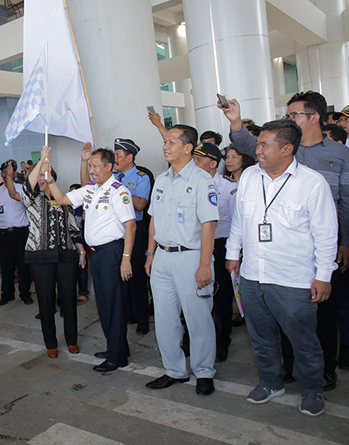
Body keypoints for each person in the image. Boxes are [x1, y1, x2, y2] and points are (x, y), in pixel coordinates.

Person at [221, 91, 349, 391]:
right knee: (264, 335)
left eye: (264, 145)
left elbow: (331, 226)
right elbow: (240, 219)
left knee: (310, 333)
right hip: (256, 273)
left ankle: (315, 385)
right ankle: (274, 380)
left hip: (298, 273)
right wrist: (233, 252)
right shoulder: (253, 175)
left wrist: (324, 271)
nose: (258, 150)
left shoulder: (317, 177)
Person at [46, 143, 136, 372]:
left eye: (96, 166)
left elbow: (131, 226)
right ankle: (117, 348)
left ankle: (117, 357)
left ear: (109, 167)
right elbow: (63, 199)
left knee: (113, 305)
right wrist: (48, 179)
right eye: (90, 166)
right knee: (104, 305)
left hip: (112, 253)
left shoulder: (118, 191)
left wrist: (126, 258)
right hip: (96, 254)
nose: (92, 170)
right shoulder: (91, 190)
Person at [144, 124, 218, 396]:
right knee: (164, 319)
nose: (166, 146)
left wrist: (204, 265)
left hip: (191, 258)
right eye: (165, 141)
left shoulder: (201, 180)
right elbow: (154, 219)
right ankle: (174, 370)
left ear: (188, 148)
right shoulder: (162, 179)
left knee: (198, 319)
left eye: (172, 141)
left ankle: (204, 371)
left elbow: (209, 225)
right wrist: (150, 254)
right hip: (162, 258)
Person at [23, 146, 86, 358]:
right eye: (38, 176)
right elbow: (27, 186)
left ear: (52, 177)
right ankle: (50, 342)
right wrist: (41, 161)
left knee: (69, 298)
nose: (40, 178)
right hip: (40, 256)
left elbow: (73, 226)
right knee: (46, 300)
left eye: (44, 175)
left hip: (66, 255)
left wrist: (80, 249)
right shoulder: (32, 199)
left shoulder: (63, 198)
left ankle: (71, 340)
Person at [193, 143, 237, 362]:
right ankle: (194, 337)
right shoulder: (189, 183)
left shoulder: (228, 187)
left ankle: (222, 340)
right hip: (196, 244)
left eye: (199, 160)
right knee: (195, 293)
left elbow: (238, 221)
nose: (195, 163)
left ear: (213, 163)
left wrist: (234, 254)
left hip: (221, 245)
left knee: (221, 295)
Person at [109, 138, 152, 335]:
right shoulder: (112, 177)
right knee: (121, 275)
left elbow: (141, 204)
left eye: (118, 155)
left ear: (130, 157)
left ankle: (143, 317)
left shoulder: (141, 177)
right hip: (116, 230)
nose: (115, 159)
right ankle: (129, 313)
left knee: (136, 274)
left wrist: (120, 190)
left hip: (135, 229)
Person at [0, 159, 33, 306]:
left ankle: (25, 293)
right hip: (4, 235)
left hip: (21, 233)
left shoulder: (21, 189)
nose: (5, 174)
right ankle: (7, 294)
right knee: (6, 266)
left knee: (23, 266)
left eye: (8, 171)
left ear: (14, 173)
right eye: (3, 172)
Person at [70, 183, 90, 305]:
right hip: (69, 242)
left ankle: (83, 292)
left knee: (82, 267)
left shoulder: (85, 207)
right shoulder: (67, 206)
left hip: (82, 240)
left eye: (75, 191)